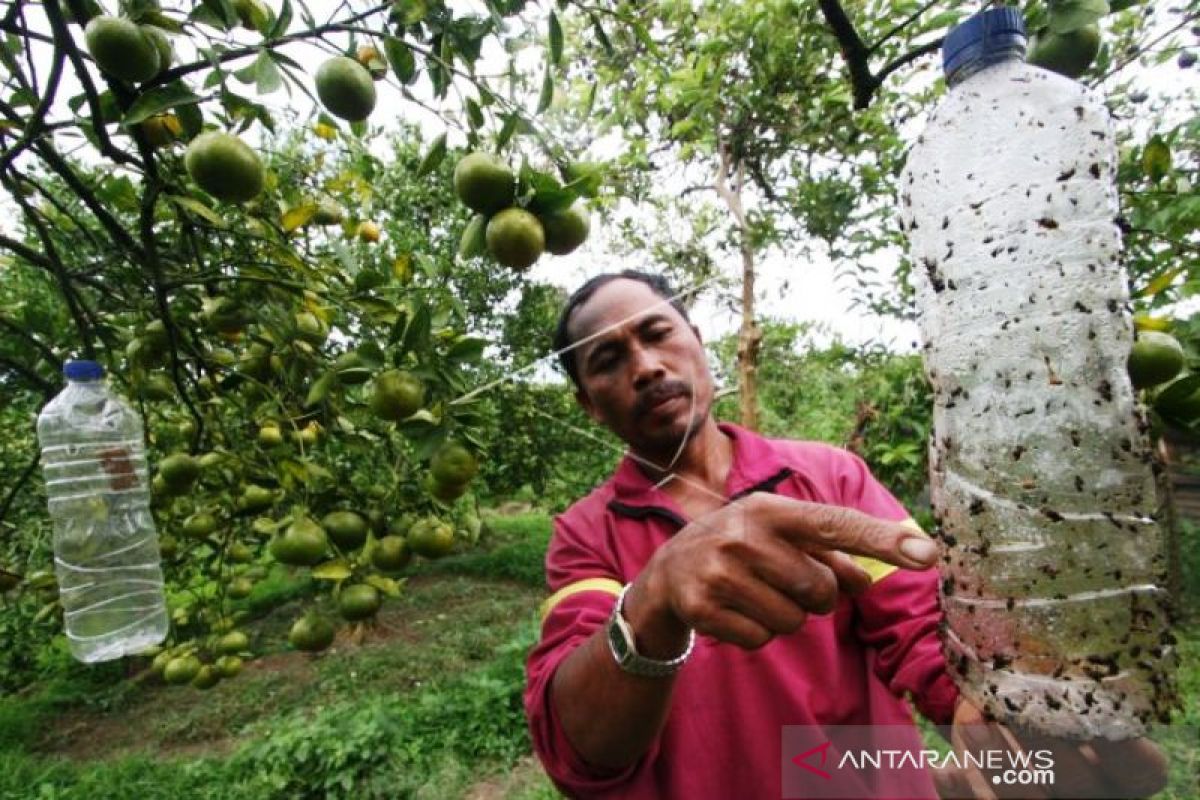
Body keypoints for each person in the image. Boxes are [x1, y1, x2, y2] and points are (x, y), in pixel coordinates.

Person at [523, 270, 1168, 799]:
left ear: (696, 339)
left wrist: (996, 724)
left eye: (658, 333)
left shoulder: (830, 476)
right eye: (608, 358)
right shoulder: (584, 537)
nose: (645, 366)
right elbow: (580, 749)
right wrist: (654, 597)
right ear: (587, 402)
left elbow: (924, 627)